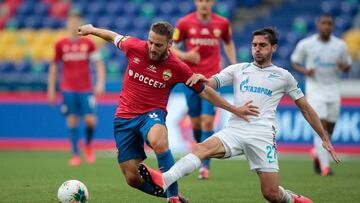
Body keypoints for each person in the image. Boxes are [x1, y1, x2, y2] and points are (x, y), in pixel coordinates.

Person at [138, 27, 341, 203]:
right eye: (254, 45)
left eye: (262, 45)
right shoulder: (239, 69)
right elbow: (211, 82)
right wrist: (202, 78)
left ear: (273, 48)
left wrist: (323, 136)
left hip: (262, 135)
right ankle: (165, 180)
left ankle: (291, 198)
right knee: (201, 147)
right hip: (235, 129)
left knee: (271, 194)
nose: (257, 49)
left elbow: (305, 107)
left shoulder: (284, 76)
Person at [76, 21, 258, 203]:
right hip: (124, 118)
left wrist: (234, 109)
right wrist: (91, 30)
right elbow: (111, 35)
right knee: (132, 178)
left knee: (160, 141)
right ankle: (174, 195)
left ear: (170, 45)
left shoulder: (177, 67)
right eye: (151, 42)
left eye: (159, 45)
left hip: (151, 115)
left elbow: (205, 91)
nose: (153, 48)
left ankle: (172, 199)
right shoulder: (134, 46)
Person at [172, 0, 237, 180]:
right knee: (196, 124)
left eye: (208, 0)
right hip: (190, 79)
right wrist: (186, 56)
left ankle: (205, 165)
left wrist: (234, 64)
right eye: (201, 0)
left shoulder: (222, 23)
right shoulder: (184, 23)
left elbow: (228, 43)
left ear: (213, 2)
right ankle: (199, 150)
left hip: (211, 80)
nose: (204, 3)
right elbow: (172, 49)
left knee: (208, 122)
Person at [291, 14, 351, 176]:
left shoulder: (340, 45)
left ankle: (317, 151)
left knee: (330, 127)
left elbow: (348, 66)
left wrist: (343, 66)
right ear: (318, 25)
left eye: (329, 24)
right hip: (315, 89)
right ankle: (325, 167)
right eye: (324, 23)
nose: (326, 26)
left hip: (333, 89)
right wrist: (305, 71)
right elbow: (294, 62)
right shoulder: (307, 44)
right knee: (321, 127)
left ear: (332, 26)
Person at [47, 11, 105, 167]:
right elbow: (54, 67)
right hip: (68, 88)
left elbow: (98, 63)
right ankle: (75, 155)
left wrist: (100, 82)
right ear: (67, 24)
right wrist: (51, 89)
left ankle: (88, 146)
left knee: (90, 121)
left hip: (86, 88)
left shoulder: (88, 43)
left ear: (80, 24)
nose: (73, 25)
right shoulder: (60, 44)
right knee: (72, 120)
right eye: (71, 22)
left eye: (76, 22)